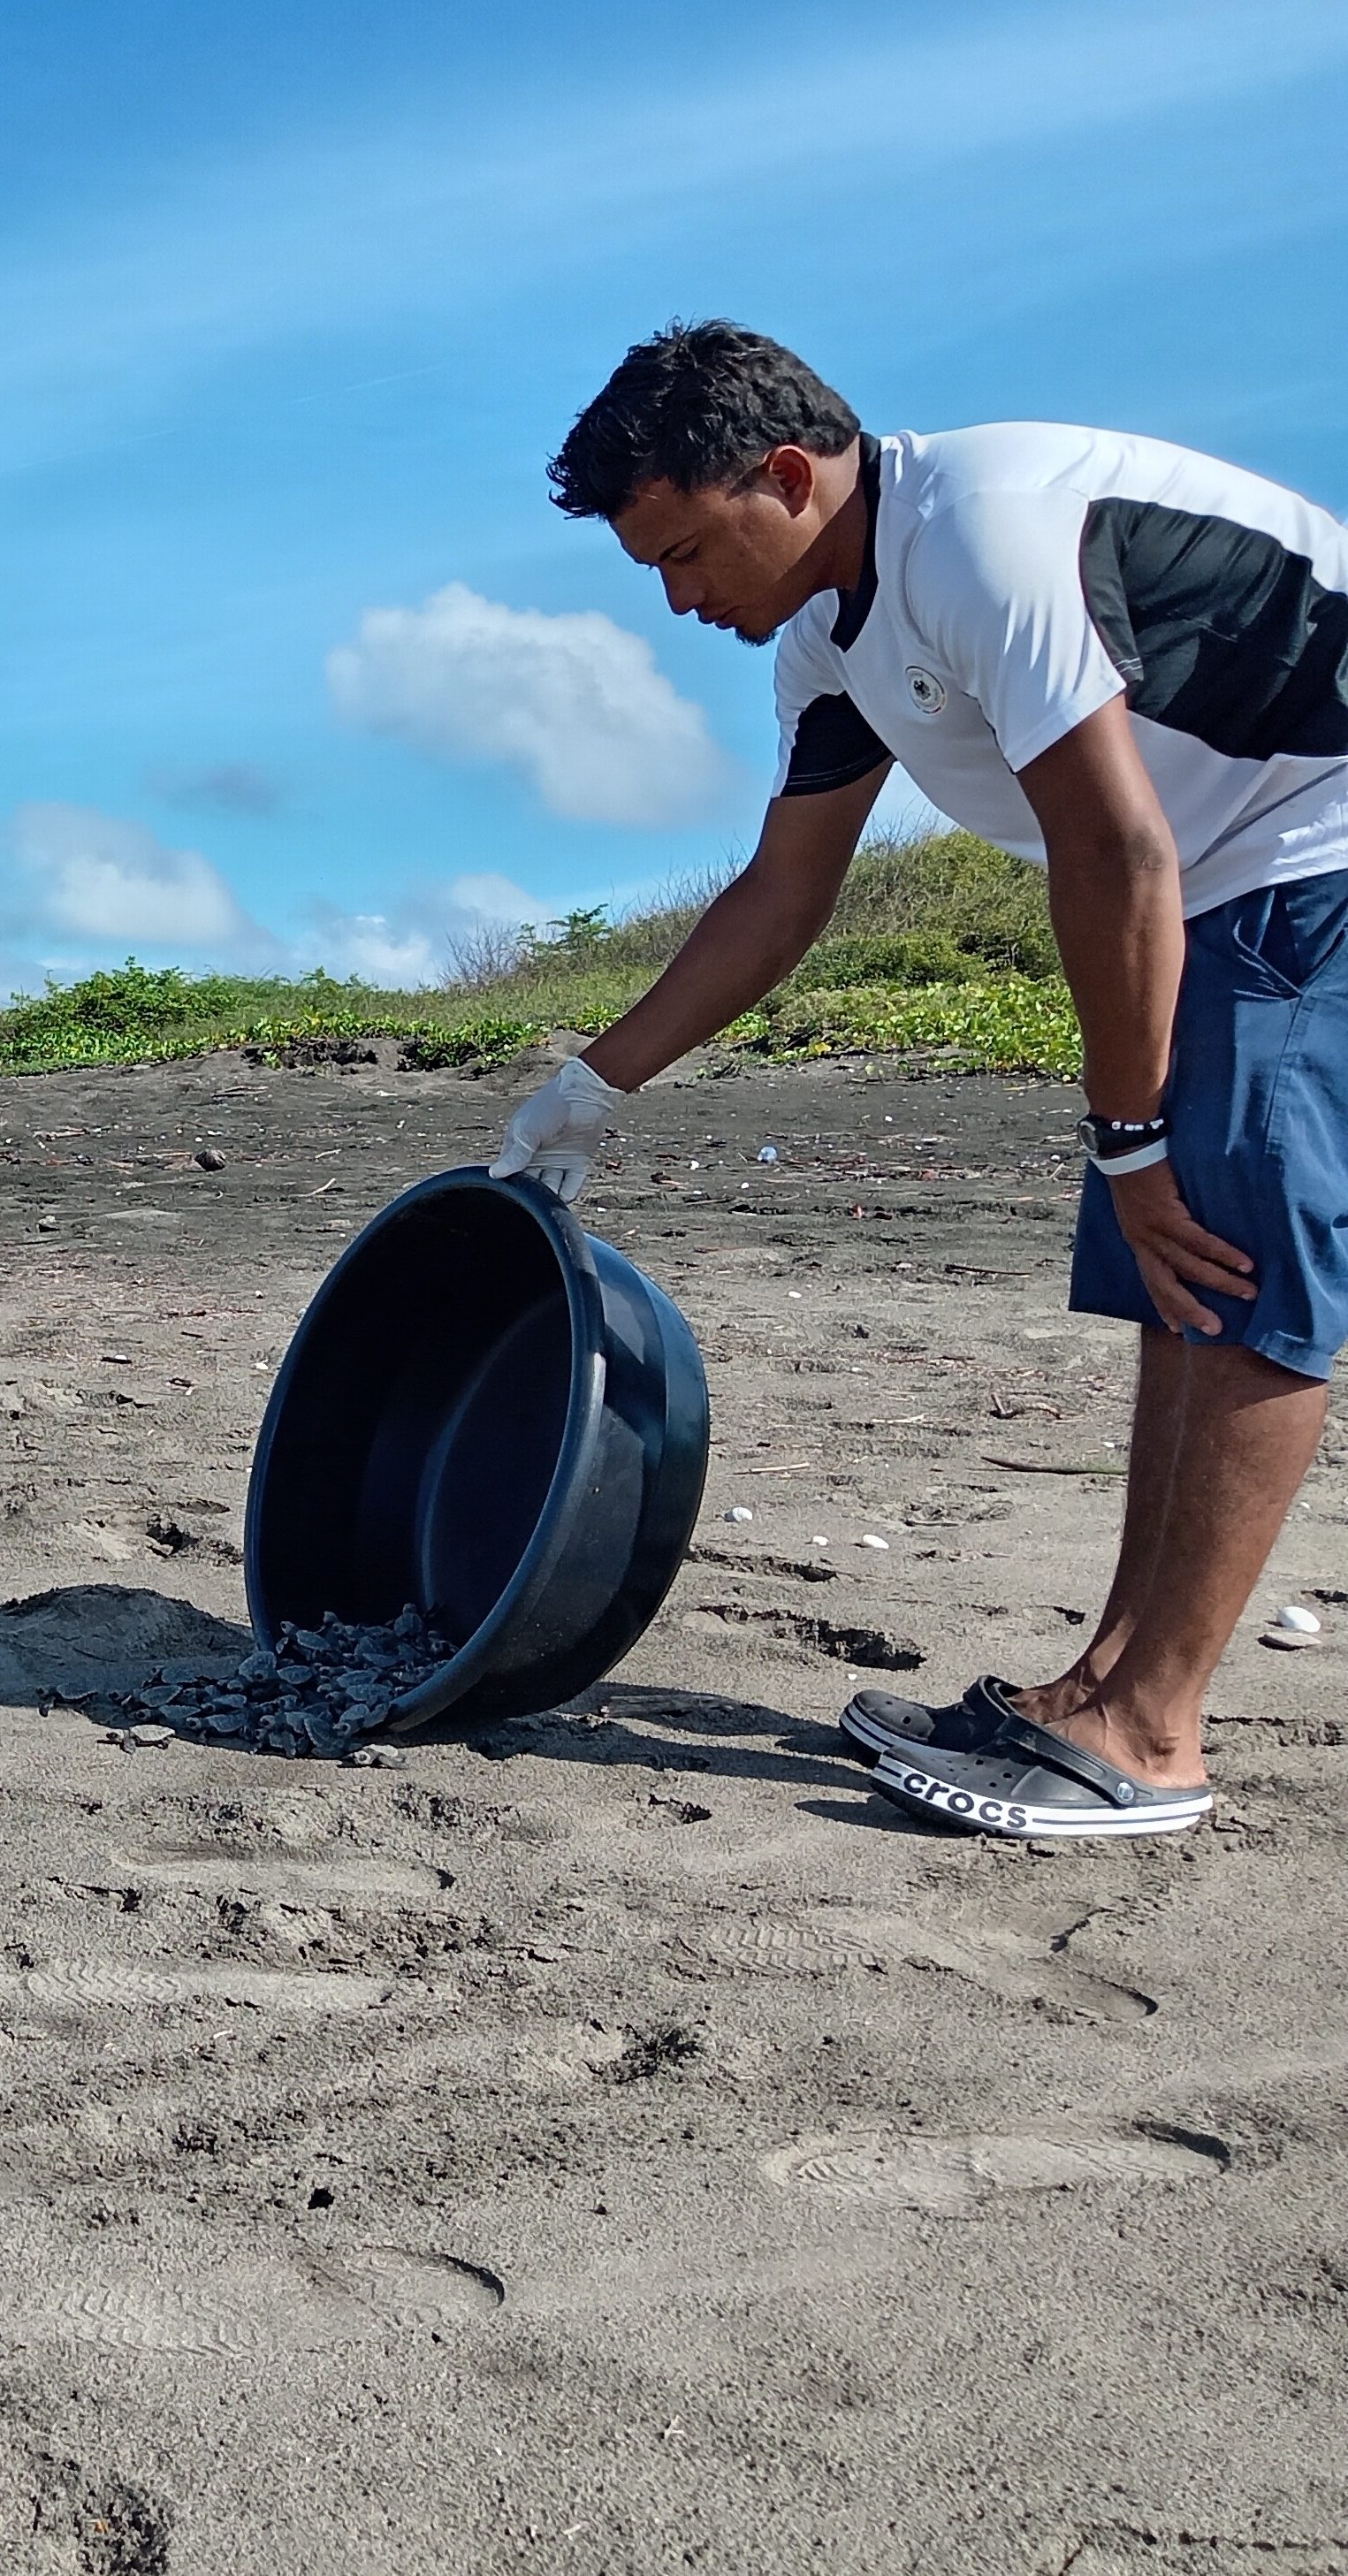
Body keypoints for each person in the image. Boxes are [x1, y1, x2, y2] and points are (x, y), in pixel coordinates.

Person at [490, 319, 1348, 1842]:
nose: (680, 600)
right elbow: (782, 890)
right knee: (1181, 1281)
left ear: (786, 474)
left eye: (685, 552)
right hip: (1225, 877)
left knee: (1236, 1266)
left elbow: (1112, 845)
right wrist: (589, 1090)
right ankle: (1097, 1689)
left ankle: (1148, 1736)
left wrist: (1132, 1139)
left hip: (1314, 845)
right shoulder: (830, 638)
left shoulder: (984, 536)